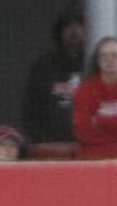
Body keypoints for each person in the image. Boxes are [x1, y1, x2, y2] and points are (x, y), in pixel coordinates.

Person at [22, 12, 86, 145]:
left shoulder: (93, 64)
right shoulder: (45, 65)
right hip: (50, 143)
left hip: (86, 144)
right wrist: (38, 139)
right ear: (60, 32)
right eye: (69, 26)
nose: (75, 31)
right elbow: (31, 106)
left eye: (79, 26)